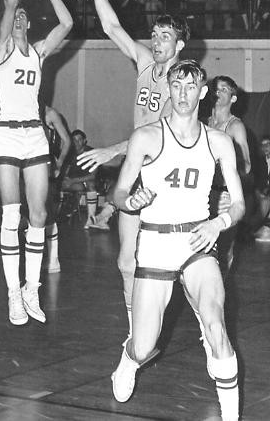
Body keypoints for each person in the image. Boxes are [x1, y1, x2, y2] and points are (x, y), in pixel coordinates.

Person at [110, 60, 244, 421]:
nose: (183, 94)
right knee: (144, 346)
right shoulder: (146, 137)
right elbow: (118, 193)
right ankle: (128, 360)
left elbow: (239, 204)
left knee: (216, 325)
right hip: (155, 244)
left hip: (197, 242)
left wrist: (218, 224)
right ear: (169, 89)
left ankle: (231, 415)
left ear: (203, 92)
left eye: (190, 87)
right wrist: (131, 202)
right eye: (176, 86)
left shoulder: (219, 141)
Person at [78, 0, 189, 339]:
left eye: (165, 37)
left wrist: (112, 149)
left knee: (176, 266)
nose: (156, 41)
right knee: (126, 261)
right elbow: (112, 27)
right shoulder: (144, 62)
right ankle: (135, 334)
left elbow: (159, 133)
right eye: (154, 35)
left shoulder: (182, 82)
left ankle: (201, 321)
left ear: (179, 46)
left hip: (165, 174)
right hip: (135, 170)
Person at [0, 0, 73, 326]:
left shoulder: (38, 53)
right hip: (7, 133)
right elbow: (10, 2)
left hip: (35, 135)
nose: (20, 16)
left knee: (38, 214)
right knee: (11, 214)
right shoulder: (2, 49)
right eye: (17, 16)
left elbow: (67, 23)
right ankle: (12, 293)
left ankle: (31, 288)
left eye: (25, 14)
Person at [208, 76, 251, 274]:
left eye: (224, 89)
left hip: (224, 195)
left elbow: (247, 165)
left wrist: (229, 182)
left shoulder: (235, 126)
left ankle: (221, 289)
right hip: (203, 193)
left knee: (223, 250)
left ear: (233, 98)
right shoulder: (203, 123)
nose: (218, 92)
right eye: (216, 89)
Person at [43, 105, 72, 273]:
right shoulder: (22, 107)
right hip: (25, 165)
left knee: (47, 213)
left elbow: (66, 140)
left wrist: (59, 163)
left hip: (44, 165)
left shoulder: (49, 113)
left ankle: (53, 259)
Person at [60, 129, 98, 229]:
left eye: (79, 140)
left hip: (91, 181)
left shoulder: (91, 153)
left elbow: (92, 176)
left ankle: (91, 218)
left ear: (84, 141)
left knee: (90, 184)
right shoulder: (70, 153)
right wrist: (66, 180)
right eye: (74, 140)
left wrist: (72, 181)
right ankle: (63, 213)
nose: (76, 142)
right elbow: (65, 172)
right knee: (56, 185)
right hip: (75, 182)